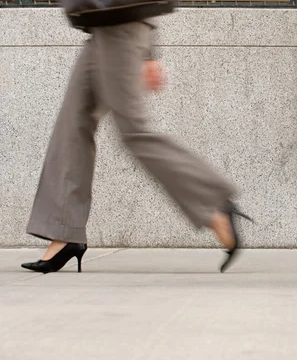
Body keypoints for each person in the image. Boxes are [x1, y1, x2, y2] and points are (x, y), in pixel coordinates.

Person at [21, 18, 250, 274]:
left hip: (122, 28)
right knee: (71, 128)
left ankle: (213, 203)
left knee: (135, 133)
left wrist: (148, 49)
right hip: (100, 29)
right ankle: (64, 234)